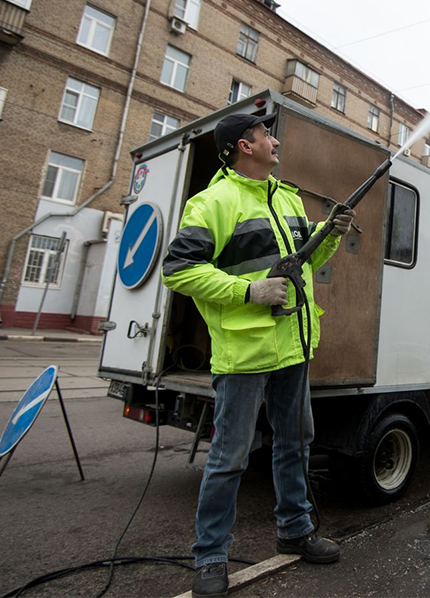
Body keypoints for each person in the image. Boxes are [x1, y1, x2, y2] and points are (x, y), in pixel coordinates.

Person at [162, 112, 355, 598]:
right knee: (228, 459)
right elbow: (178, 270)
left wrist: (329, 234)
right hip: (243, 356)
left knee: (295, 445)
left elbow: (306, 261)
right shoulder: (214, 202)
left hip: (292, 348)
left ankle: (295, 531)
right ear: (244, 147)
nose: (274, 140)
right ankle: (210, 558)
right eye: (266, 134)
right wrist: (250, 292)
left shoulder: (286, 197)